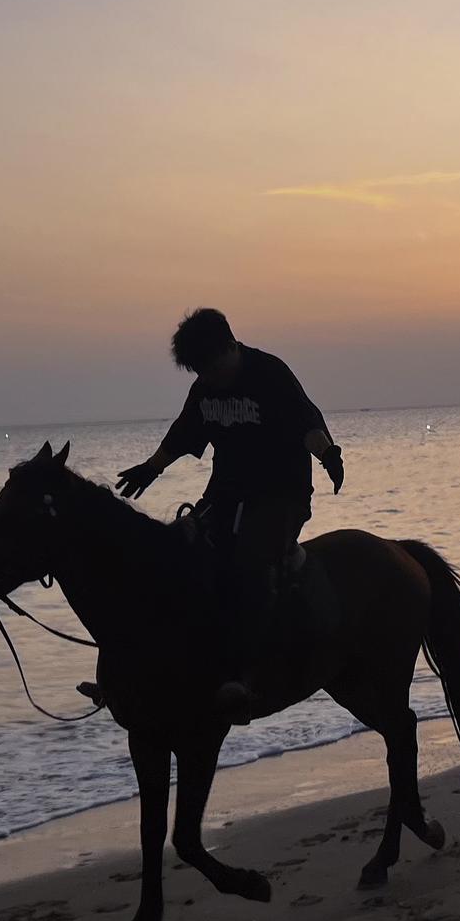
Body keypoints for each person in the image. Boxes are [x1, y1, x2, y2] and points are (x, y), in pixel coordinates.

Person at [116, 308, 343, 724]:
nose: (210, 377)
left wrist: (328, 455)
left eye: (213, 366)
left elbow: (307, 423)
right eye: (200, 371)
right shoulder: (204, 388)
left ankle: (245, 676)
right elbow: (183, 434)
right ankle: (160, 663)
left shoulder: (270, 374)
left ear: (229, 346)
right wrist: (151, 468)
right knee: (180, 552)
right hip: (224, 495)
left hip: (281, 495)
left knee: (248, 563)